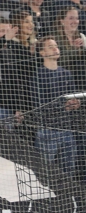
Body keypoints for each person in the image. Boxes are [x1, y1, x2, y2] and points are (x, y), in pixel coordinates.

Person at [33, 37, 80, 172]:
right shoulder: (38, 76)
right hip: (47, 130)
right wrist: (62, 106)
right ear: (42, 52)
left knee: (68, 171)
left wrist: (76, 104)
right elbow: (39, 105)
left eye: (56, 46)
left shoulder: (67, 74)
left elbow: (73, 96)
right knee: (44, 172)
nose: (55, 48)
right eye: (50, 46)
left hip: (66, 130)